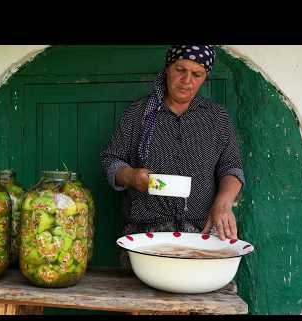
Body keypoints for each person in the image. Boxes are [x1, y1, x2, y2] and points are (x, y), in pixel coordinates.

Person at [100, 45, 245, 267]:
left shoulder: (217, 118)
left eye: (196, 74)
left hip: (201, 238)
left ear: (205, 77)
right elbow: (111, 160)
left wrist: (223, 202)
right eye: (180, 70)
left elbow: (231, 168)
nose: (186, 80)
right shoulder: (138, 113)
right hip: (145, 237)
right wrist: (130, 176)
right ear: (168, 68)